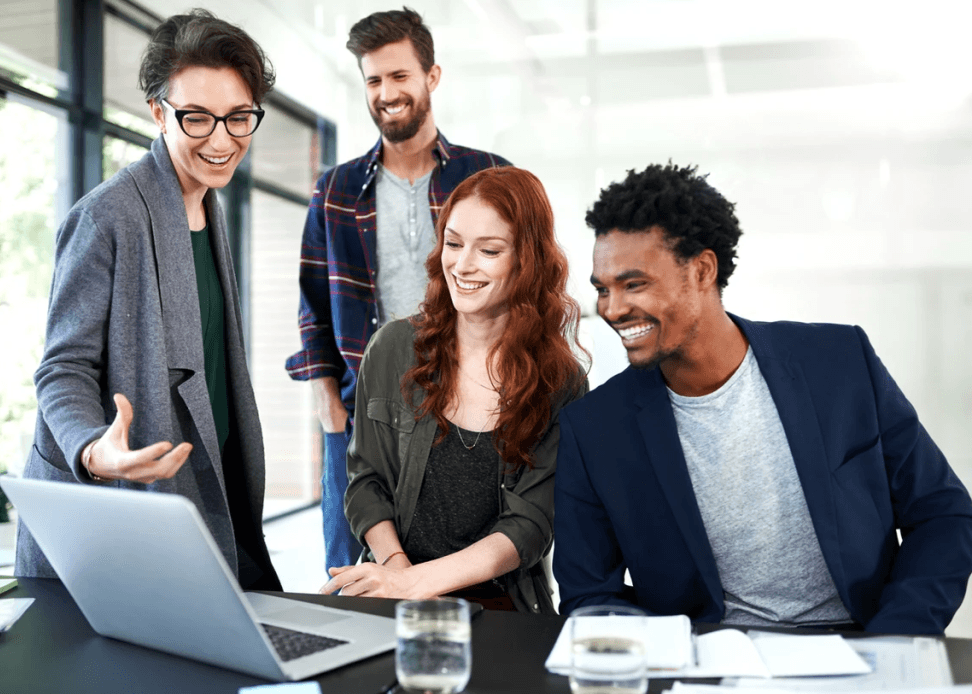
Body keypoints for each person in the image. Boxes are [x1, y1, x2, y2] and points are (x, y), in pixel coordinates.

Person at [553, 162, 972, 634]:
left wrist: (898, 640)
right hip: (706, 666)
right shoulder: (595, 428)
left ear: (702, 270)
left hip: (858, 647)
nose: (613, 309)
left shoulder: (838, 363)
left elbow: (942, 513)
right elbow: (589, 593)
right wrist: (670, 652)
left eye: (634, 284)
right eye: (602, 290)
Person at [15, 10, 281, 591]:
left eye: (238, 118)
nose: (221, 139)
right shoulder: (106, 216)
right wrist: (92, 450)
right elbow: (63, 368)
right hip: (117, 508)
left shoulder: (209, 209)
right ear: (159, 112)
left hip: (203, 488)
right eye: (197, 118)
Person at [285, 7, 510, 576]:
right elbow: (313, 304)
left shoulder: (488, 177)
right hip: (365, 410)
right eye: (374, 80)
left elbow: (522, 287)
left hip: (473, 406)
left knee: (474, 572)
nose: (387, 92)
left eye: (400, 76)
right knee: (350, 570)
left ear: (431, 77)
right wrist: (327, 405)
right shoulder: (335, 190)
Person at [317, 167, 586, 613]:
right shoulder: (391, 349)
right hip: (392, 579)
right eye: (454, 243)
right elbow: (365, 483)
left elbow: (531, 524)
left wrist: (419, 584)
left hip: (501, 604)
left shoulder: (561, 381)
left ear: (528, 260)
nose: (462, 265)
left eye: (490, 250)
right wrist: (400, 574)